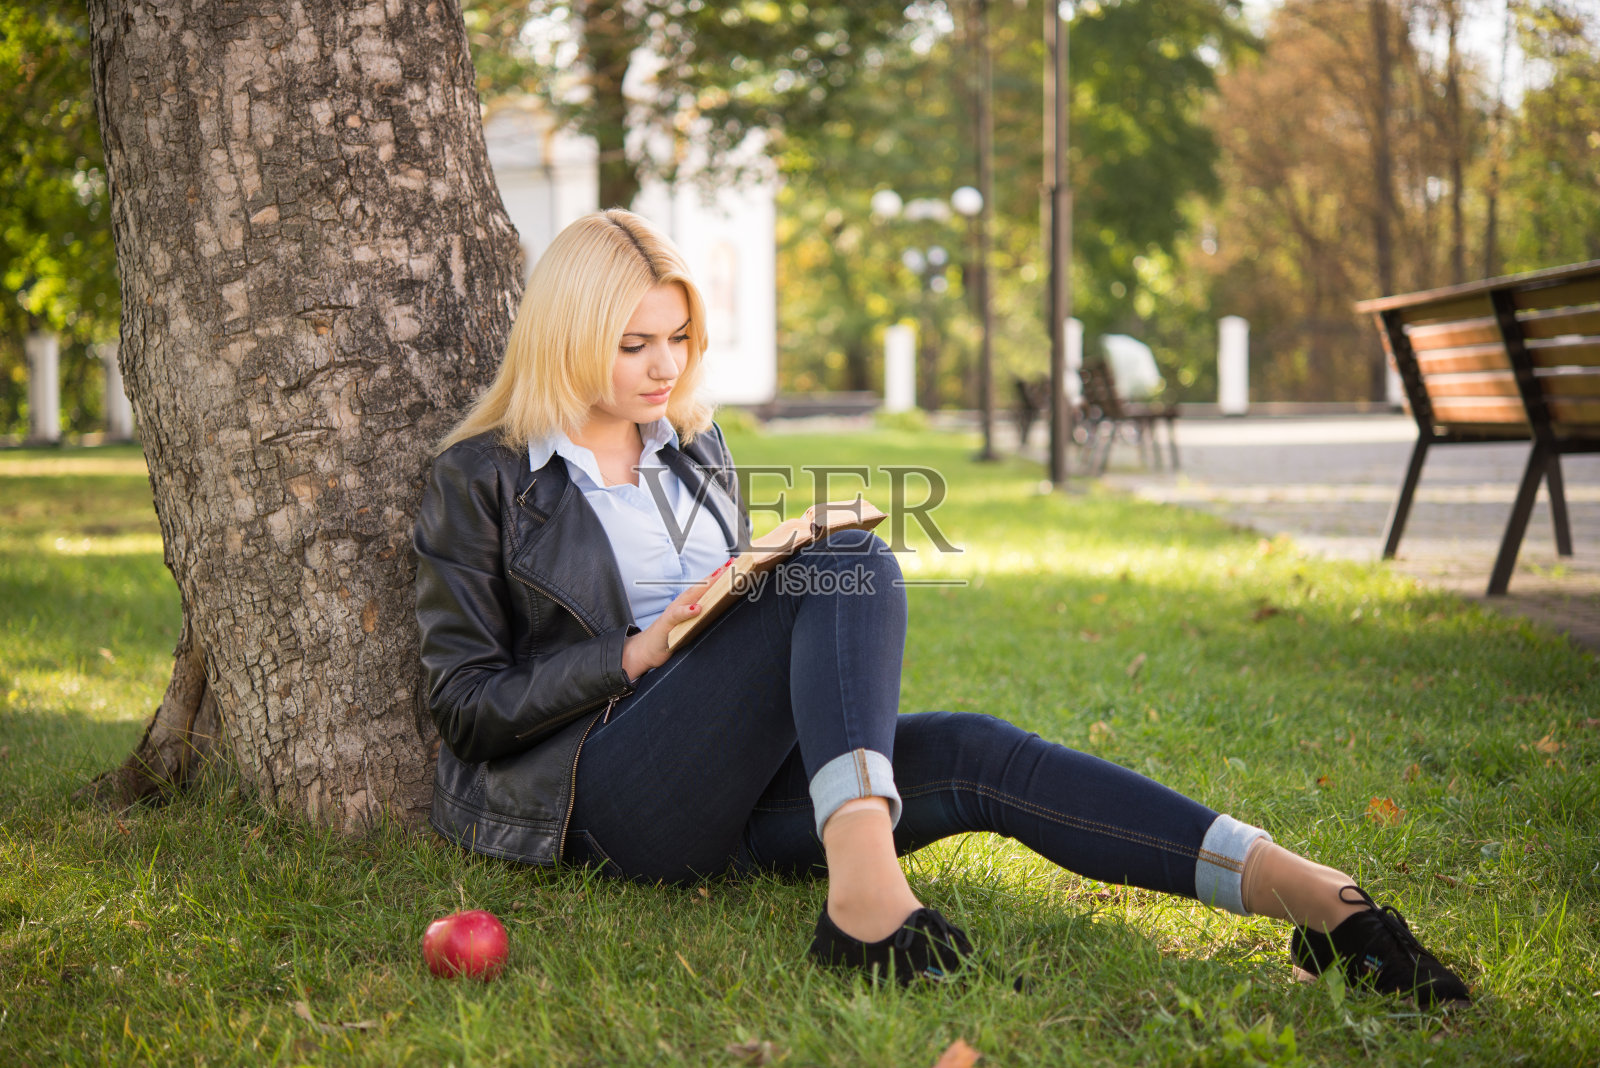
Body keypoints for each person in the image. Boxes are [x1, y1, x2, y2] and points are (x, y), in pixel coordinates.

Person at [412, 209, 1470, 1006]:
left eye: (677, 340)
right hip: (611, 792)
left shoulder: (692, 448)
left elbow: (741, 637)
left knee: (971, 747)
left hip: (741, 784)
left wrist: (744, 582)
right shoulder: (485, 478)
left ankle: (1312, 898)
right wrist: (638, 650)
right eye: (632, 343)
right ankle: (866, 906)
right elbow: (464, 702)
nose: (662, 368)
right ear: (566, 332)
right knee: (847, 563)